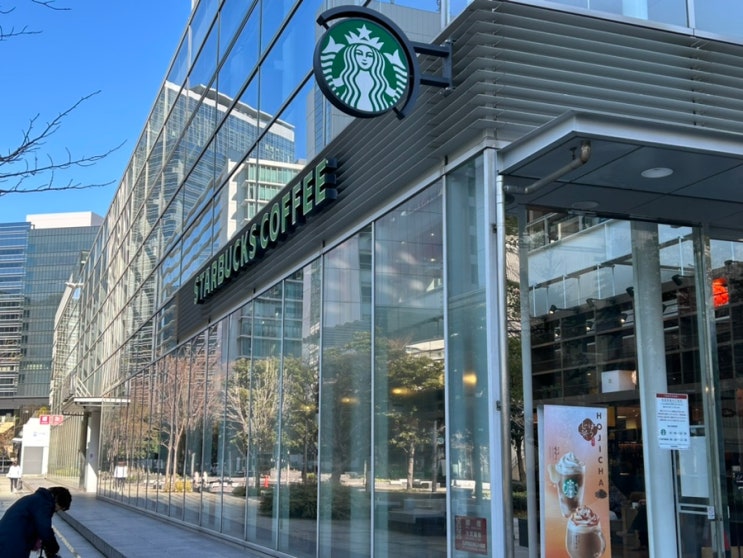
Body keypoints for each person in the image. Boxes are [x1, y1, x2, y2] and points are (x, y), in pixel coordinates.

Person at [0, 485, 71, 558]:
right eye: (60, 508)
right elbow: (44, 529)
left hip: (9, 539)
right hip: (12, 542)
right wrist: (53, 547)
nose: (57, 510)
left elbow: (37, 525)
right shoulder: (43, 503)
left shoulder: (38, 499)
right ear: (57, 501)